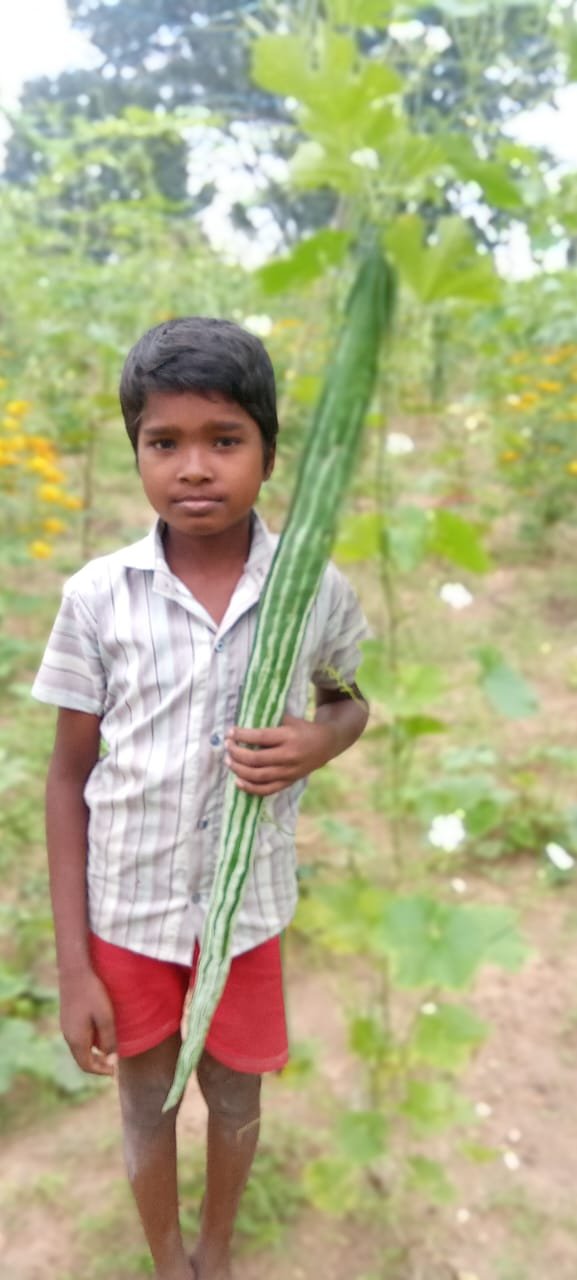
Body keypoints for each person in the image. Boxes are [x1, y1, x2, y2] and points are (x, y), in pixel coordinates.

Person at [32, 316, 369, 1280]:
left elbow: (347, 701)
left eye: (224, 440)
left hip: (244, 913)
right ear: (136, 450)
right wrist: (74, 967)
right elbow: (67, 778)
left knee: (234, 1096)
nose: (193, 468)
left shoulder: (311, 589)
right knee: (145, 1100)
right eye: (163, 442)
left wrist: (319, 741)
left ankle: (216, 1254)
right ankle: (166, 1259)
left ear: (268, 451)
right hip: (128, 912)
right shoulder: (99, 596)